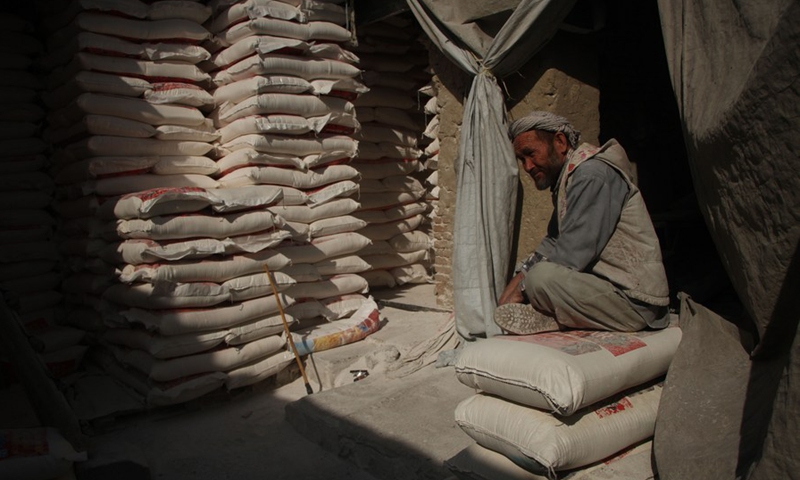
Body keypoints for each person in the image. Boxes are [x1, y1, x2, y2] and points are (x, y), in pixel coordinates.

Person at [494, 111, 670, 334]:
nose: (528, 166)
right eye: (522, 160)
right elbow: (553, 241)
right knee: (532, 275)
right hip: (605, 292)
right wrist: (514, 284)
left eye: (531, 154)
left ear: (559, 142)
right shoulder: (570, 179)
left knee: (540, 278)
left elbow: (572, 255)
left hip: (633, 303)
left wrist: (523, 288)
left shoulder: (592, 175)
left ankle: (558, 316)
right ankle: (559, 314)